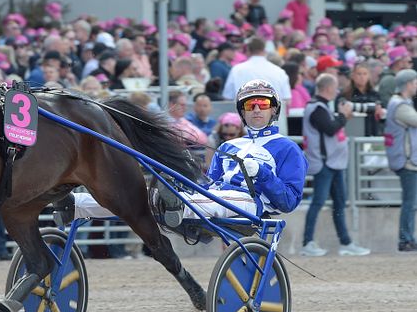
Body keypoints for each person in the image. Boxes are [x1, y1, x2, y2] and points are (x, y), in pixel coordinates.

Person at [55, 80, 308, 227]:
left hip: (252, 204)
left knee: (175, 202)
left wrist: (262, 174)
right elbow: (212, 184)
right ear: (241, 111)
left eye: (262, 104)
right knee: (142, 199)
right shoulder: (228, 146)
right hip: (216, 198)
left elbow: (289, 201)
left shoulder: (287, 148)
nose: (255, 109)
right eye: (249, 105)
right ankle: (78, 205)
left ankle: (175, 204)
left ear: (274, 110)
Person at [301, 74, 370, 257]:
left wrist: (341, 116)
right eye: (335, 87)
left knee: (339, 202)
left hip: (334, 163)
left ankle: (346, 242)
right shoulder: (316, 107)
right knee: (318, 202)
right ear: (328, 88)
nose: (337, 90)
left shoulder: (322, 106)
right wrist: (344, 115)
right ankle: (307, 242)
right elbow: (330, 128)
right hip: (324, 163)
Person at [384, 69, 417, 252]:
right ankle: (405, 239)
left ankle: (409, 238)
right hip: (406, 160)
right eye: (415, 82)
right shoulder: (400, 105)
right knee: (410, 202)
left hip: (407, 159)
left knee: (411, 202)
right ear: (408, 84)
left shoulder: (401, 102)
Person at [222, 37, 291, 103]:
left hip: (243, 112)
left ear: (248, 50)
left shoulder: (236, 70)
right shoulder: (279, 72)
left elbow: (227, 99)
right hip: (273, 113)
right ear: (264, 50)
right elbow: (287, 101)